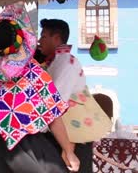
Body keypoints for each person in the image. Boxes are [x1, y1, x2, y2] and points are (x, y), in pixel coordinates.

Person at [0, 2, 80, 173]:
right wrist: (69, 151)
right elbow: (53, 118)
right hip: (23, 143)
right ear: (22, 41)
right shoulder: (35, 74)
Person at [38, 19, 111, 173]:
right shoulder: (54, 63)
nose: (39, 41)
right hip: (62, 136)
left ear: (56, 38)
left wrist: (65, 145)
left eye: (43, 36)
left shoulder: (66, 62)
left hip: (73, 138)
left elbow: (55, 103)